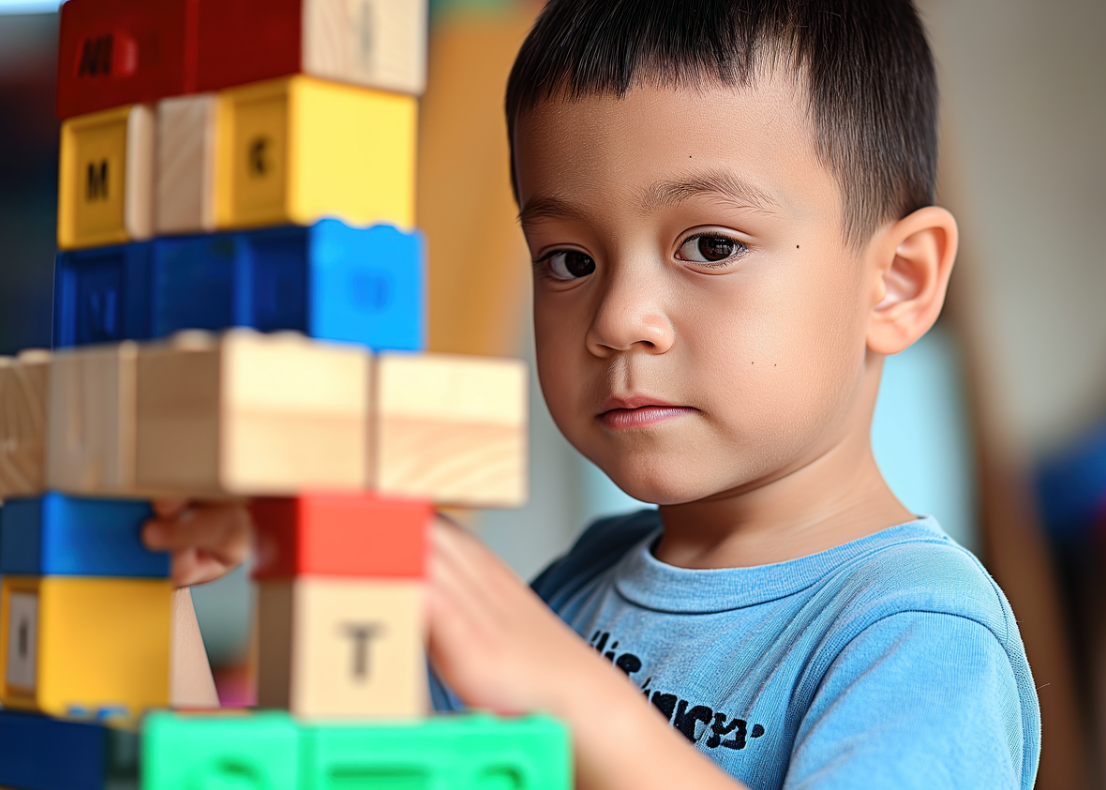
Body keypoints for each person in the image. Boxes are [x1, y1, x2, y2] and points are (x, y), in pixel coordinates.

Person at [143, 1, 1041, 787]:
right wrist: (154, 577)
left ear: (898, 282)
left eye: (712, 245)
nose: (618, 318)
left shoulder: (917, 632)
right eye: (569, 261)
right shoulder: (581, 585)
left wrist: (583, 705)